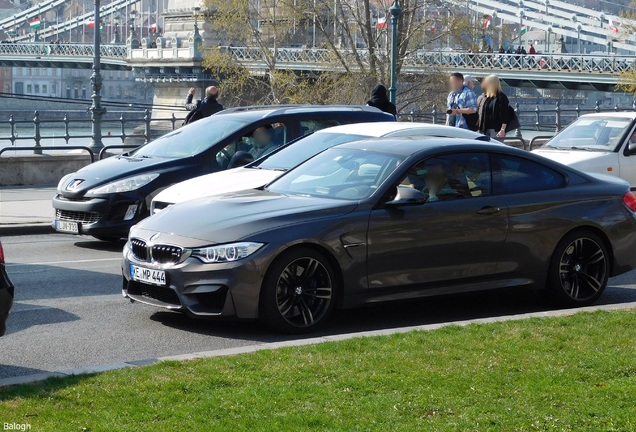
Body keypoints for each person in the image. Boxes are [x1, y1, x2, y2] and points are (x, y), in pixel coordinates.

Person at [477, 74, 512, 140]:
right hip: (484, 128)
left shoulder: (501, 97)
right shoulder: (486, 96)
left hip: (496, 129)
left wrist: (502, 130)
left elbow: (505, 115)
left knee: (495, 147)